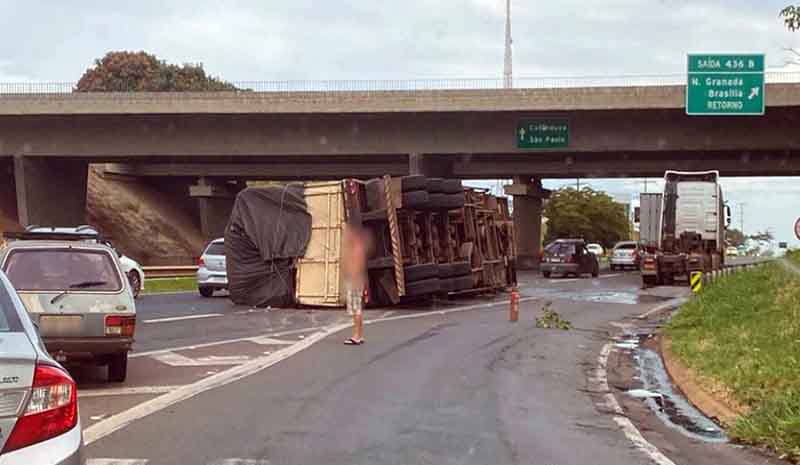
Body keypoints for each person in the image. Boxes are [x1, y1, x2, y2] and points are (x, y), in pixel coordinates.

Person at [341, 223, 371, 345]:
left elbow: (358, 266)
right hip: (355, 280)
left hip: (355, 281)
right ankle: (359, 335)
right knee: (355, 308)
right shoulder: (356, 247)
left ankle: (357, 336)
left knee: (356, 309)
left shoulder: (357, 248)